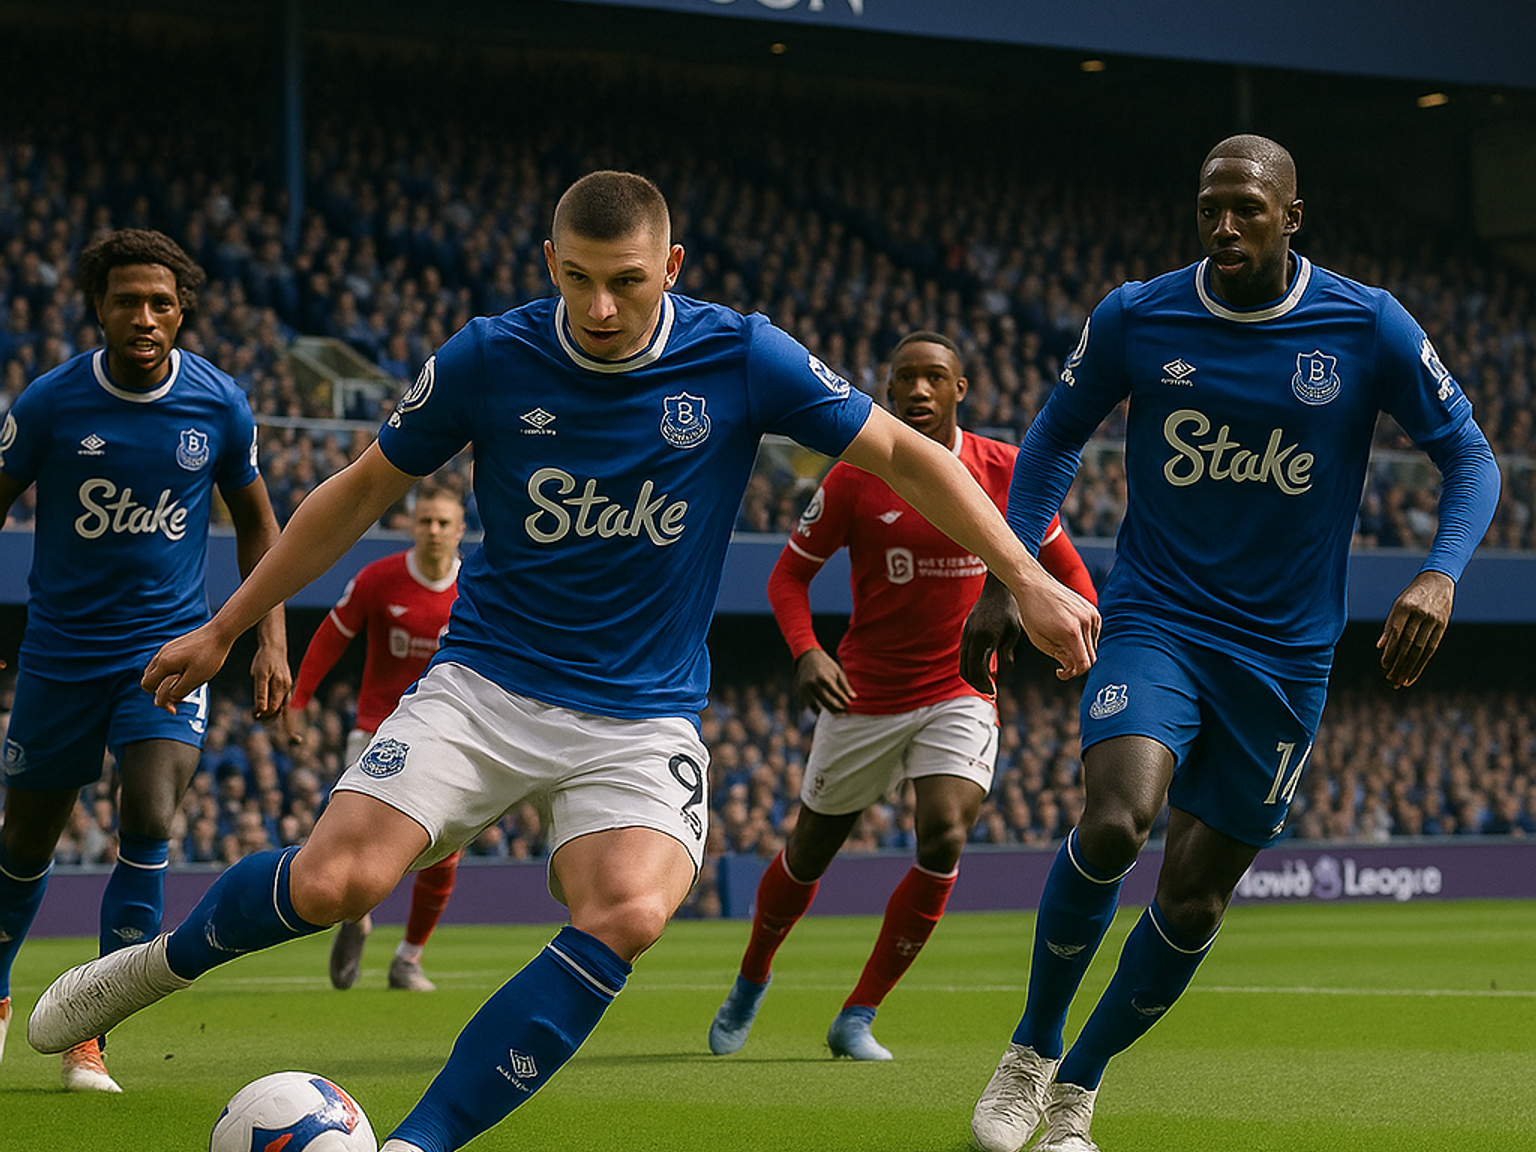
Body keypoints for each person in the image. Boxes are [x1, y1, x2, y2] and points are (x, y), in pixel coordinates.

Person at [27, 172, 1098, 1152]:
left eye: (626, 282)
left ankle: (417, 1143)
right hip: (485, 687)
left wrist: (1027, 578)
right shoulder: (489, 356)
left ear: (671, 268)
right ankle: (150, 969)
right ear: (550, 262)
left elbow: (907, 455)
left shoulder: (742, 355)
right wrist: (227, 625)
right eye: (577, 279)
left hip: (641, 715)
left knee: (629, 911)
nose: (600, 307)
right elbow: (357, 492)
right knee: (331, 882)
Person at [960, 135, 1500, 1152]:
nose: (1225, 225)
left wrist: (1441, 572)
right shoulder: (1138, 314)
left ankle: (1078, 1088)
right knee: (1116, 822)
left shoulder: (1366, 324)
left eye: (1248, 207)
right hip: (1158, 619)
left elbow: (1469, 457)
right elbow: (1054, 435)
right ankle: (1030, 1050)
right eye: (1211, 205)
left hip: (1286, 658)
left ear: (1292, 215)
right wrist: (1010, 574)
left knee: (1196, 897)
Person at [708, 331, 1099, 1061]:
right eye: (905, 379)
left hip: (960, 690)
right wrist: (808, 651)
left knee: (945, 833)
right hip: (865, 693)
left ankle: (858, 1014)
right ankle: (752, 976)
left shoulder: (1007, 472)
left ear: (960, 389)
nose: (919, 390)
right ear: (887, 392)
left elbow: (1070, 574)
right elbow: (787, 578)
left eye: (934, 377)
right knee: (809, 851)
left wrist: (1077, 633)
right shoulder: (856, 477)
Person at [0, 229, 289, 1093]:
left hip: (166, 652)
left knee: (152, 815)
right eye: (127, 300)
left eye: (162, 302)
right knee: (25, 839)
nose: (145, 316)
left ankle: (90, 1037)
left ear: (182, 312)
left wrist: (269, 639)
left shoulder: (218, 404)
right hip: (59, 653)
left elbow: (259, 525)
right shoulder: (51, 403)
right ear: (100, 306)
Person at [286, 480, 466, 992]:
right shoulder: (380, 579)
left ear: (460, 530)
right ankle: (356, 918)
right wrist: (298, 699)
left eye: (444, 522)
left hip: (449, 736)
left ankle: (408, 958)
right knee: (358, 844)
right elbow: (332, 635)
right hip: (377, 732)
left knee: (445, 850)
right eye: (425, 521)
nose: (434, 530)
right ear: (412, 526)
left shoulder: (477, 589)